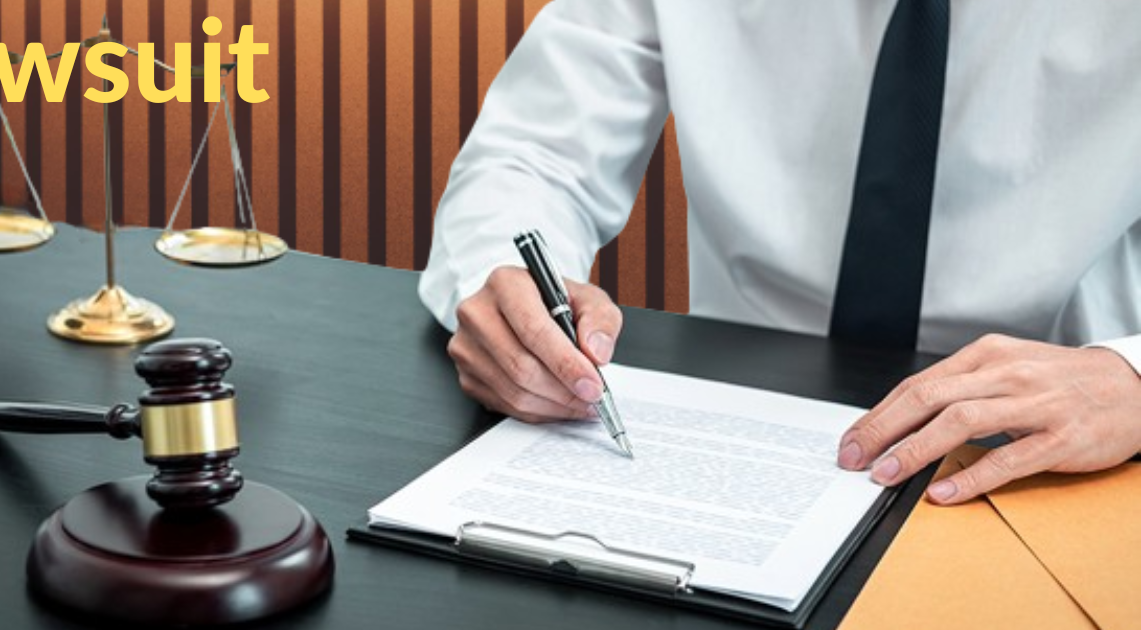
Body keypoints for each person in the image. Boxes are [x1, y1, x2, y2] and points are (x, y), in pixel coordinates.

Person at [418, 1, 1141, 505]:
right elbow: (534, 155)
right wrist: (506, 289)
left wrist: (1133, 382)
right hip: (735, 425)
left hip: (1050, 449)